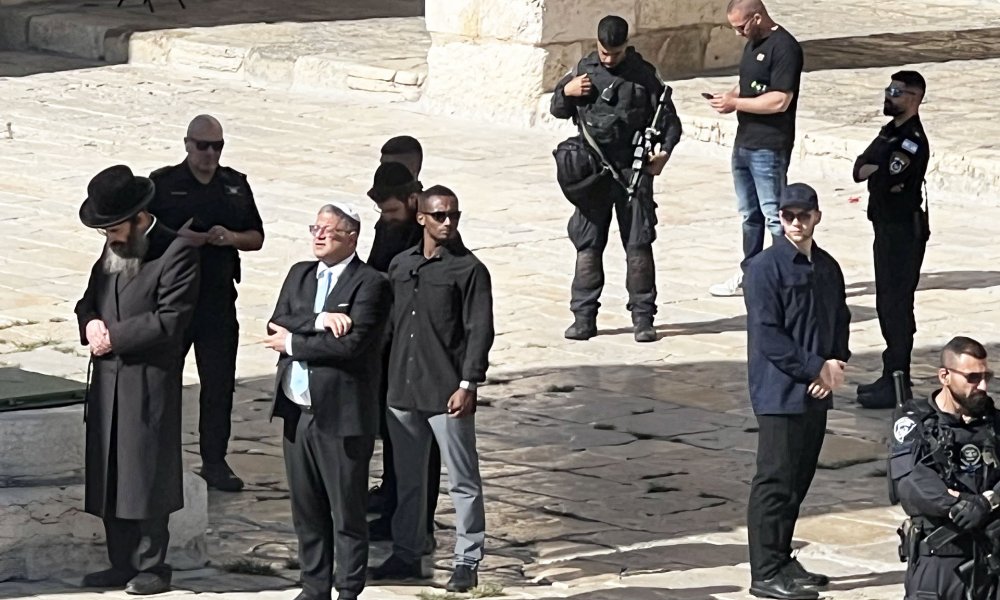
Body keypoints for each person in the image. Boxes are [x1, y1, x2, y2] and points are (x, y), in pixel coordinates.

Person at [74, 165, 200, 595]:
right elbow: (88, 301)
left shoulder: (175, 252)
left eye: (114, 227)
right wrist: (90, 323)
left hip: (148, 381)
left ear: (139, 218)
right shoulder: (111, 254)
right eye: (104, 229)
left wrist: (115, 337)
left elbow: (171, 319)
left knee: (146, 475)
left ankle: (152, 565)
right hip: (108, 384)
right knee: (112, 476)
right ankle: (119, 562)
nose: (109, 237)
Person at [263, 203, 391, 600]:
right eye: (315, 227)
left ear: (351, 236)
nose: (318, 236)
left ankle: (349, 588)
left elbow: (352, 345)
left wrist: (294, 343)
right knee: (307, 509)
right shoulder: (300, 274)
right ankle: (313, 586)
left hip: (341, 414)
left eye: (329, 230)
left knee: (346, 511)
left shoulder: (371, 283)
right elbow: (277, 321)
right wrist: (320, 321)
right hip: (296, 412)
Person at [371, 186, 494, 593]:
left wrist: (468, 383)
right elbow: (387, 327)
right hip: (403, 390)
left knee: (462, 479)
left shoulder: (469, 270)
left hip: (446, 391)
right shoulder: (401, 265)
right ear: (422, 217)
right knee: (407, 479)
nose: (448, 223)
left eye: (454, 216)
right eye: (440, 215)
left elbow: (479, 331)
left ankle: (467, 558)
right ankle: (407, 550)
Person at [743, 183, 851, 599]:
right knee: (774, 480)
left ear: (816, 216)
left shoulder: (827, 267)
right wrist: (813, 368)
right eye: (788, 216)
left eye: (803, 216)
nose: (795, 223)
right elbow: (768, 335)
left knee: (799, 479)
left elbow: (837, 319)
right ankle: (765, 571)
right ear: (780, 218)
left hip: (816, 390)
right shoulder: (764, 268)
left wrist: (835, 362)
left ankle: (782, 557)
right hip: (779, 393)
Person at [149, 114, 265, 491]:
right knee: (161, 381)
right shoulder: (164, 184)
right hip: (173, 299)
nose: (210, 153)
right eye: (203, 146)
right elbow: (144, 232)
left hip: (217, 298)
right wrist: (178, 238)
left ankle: (214, 461)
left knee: (218, 385)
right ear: (187, 144)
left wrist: (228, 236)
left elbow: (256, 236)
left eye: (217, 146)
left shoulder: (234, 185)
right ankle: (156, 457)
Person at [550, 14, 682, 343]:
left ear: (626, 46)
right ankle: (583, 317)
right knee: (588, 245)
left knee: (638, 245)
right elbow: (557, 108)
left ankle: (642, 318)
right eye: (604, 52)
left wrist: (663, 153)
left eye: (615, 53)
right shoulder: (584, 69)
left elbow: (670, 123)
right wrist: (566, 91)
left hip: (632, 171)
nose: (609, 59)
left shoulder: (643, 76)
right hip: (592, 171)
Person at [363, 161, 442, 553]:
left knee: (420, 448)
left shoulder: (429, 240)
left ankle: (419, 527)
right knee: (394, 439)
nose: (387, 219)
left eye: (393, 211)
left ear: (413, 202)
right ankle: (394, 513)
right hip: (388, 353)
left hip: (419, 355)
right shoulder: (389, 228)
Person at [889, 336, 1000, 600]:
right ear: (945, 376)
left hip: (990, 554)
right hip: (939, 557)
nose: (982, 386)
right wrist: (960, 506)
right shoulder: (915, 423)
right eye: (972, 378)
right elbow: (911, 482)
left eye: (987, 376)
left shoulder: (994, 423)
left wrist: (988, 502)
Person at [707, 0, 803, 298]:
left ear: (757, 17)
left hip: (769, 146)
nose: (737, 34)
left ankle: (783, 276)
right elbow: (749, 84)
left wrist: (736, 103)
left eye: (740, 27)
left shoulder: (784, 48)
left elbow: (779, 100)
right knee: (750, 214)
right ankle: (751, 273)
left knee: (775, 215)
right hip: (744, 142)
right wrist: (729, 96)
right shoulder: (753, 44)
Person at [853, 71, 931, 409]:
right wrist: (876, 169)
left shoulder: (911, 140)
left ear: (913, 98)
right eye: (889, 89)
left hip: (903, 231)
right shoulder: (890, 133)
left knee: (897, 304)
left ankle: (898, 380)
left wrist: (877, 169)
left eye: (897, 92)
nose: (889, 96)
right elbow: (859, 170)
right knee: (887, 302)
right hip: (885, 227)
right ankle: (891, 375)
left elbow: (884, 178)